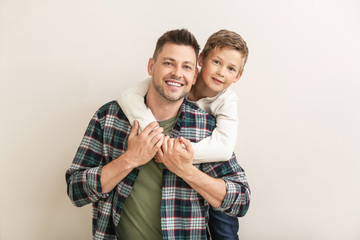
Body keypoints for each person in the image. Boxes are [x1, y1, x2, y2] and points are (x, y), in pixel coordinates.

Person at [66, 29, 250, 240]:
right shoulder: (108, 117)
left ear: (194, 75)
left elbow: (241, 200)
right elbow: (75, 191)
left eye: (186, 67)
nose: (177, 73)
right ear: (151, 66)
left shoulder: (206, 127)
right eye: (168, 63)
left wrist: (185, 169)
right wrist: (129, 159)